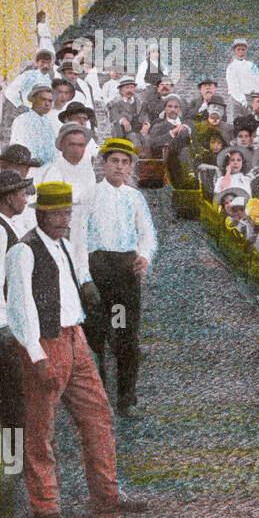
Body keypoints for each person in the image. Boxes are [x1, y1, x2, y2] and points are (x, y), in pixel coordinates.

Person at [4, 181, 146, 518]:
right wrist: (36, 355)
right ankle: (46, 507)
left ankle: (107, 496)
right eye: (58, 212)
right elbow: (19, 307)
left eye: (67, 211)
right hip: (45, 341)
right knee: (40, 429)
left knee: (97, 414)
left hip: (74, 337)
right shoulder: (24, 251)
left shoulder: (64, 245)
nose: (65, 217)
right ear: (41, 213)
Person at [74, 138, 158, 421]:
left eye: (125, 163)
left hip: (124, 276)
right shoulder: (89, 195)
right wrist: (85, 280)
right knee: (95, 337)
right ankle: (96, 403)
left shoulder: (135, 198)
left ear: (131, 167)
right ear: (103, 164)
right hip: (98, 273)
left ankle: (126, 399)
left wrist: (144, 257)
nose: (119, 167)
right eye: (114, 161)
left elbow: (147, 234)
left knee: (124, 336)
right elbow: (78, 240)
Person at [0, 171, 35, 432]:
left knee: (18, 390)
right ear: (10, 197)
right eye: (22, 193)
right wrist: (4, 326)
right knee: (11, 392)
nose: (25, 198)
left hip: (8, 319)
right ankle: (15, 461)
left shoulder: (6, 224)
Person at [10, 81, 57, 179]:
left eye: (50, 101)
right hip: (30, 173)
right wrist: (23, 176)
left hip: (48, 173)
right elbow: (17, 151)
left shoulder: (48, 123)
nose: (47, 104)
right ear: (33, 99)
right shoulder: (23, 120)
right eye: (43, 99)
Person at [224, 38, 259, 122]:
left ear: (246, 50)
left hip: (251, 98)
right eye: (238, 50)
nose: (241, 52)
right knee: (239, 123)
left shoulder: (252, 65)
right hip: (236, 99)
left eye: (243, 49)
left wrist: (257, 95)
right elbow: (233, 86)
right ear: (234, 51)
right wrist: (242, 100)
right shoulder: (231, 67)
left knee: (253, 122)